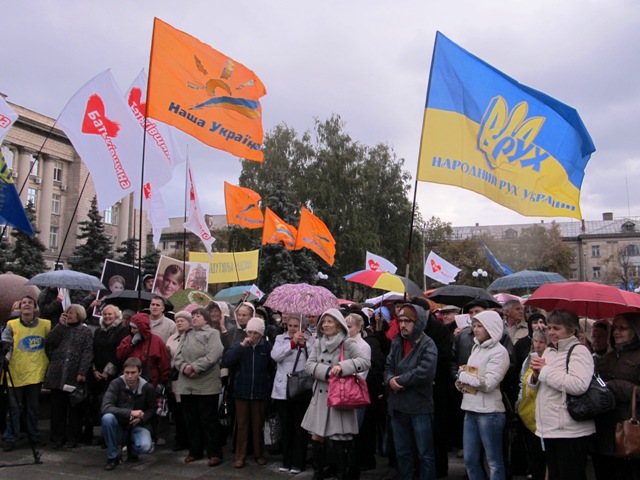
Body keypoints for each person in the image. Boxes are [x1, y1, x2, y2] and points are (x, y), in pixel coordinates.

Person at [301, 308, 371, 480]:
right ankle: (319, 473)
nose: (325, 324)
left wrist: (343, 367)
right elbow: (309, 365)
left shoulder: (347, 343)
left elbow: (364, 361)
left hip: (340, 398)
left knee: (341, 438)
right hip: (320, 397)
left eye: (330, 321)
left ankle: (344, 474)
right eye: (324, 321)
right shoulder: (318, 342)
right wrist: (327, 371)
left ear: (339, 325)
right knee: (317, 436)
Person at [528, 309, 595, 480]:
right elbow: (541, 385)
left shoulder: (579, 351)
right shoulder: (550, 351)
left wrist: (545, 371)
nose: (551, 333)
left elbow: (578, 385)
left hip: (570, 430)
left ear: (571, 330)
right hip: (550, 427)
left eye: (556, 328)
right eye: (549, 328)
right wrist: (535, 376)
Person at [384, 303, 438, 480]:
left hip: (419, 406)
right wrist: (389, 379)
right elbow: (388, 366)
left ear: (418, 322)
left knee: (425, 454)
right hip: (398, 406)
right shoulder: (397, 342)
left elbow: (425, 372)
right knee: (402, 452)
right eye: (401, 320)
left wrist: (399, 380)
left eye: (408, 321)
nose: (403, 325)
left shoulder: (428, 344)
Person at [456, 310, 510, 480]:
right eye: (474, 325)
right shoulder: (475, 348)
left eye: (480, 326)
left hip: (490, 413)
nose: (476, 329)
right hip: (470, 409)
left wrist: (462, 376)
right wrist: (461, 384)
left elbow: (488, 383)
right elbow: (474, 378)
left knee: (493, 461)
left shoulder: (500, 352)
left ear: (491, 328)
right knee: (470, 460)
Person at [173, 307, 224, 467]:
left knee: (208, 420)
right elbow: (177, 355)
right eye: (193, 316)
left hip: (206, 384)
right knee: (191, 419)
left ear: (206, 319)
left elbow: (215, 353)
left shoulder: (212, 333)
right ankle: (194, 451)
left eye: (198, 316)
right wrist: (184, 367)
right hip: (187, 384)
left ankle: (214, 453)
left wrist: (196, 367)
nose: (194, 318)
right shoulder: (186, 334)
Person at [592, 312, 640, 480]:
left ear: (635, 330)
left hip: (630, 427)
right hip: (604, 429)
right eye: (615, 328)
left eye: (623, 328)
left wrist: (622, 388)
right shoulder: (607, 358)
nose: (617, 332)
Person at [1, 295, 51, 451]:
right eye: (24, 303)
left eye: (30, 303)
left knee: (33, 408)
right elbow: (6, 344)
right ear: (20, 307)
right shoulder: (12, 325)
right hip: (15, 373)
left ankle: (33, 435)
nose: (27, 305)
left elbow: (52, 341)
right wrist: (5, 358)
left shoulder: (45, 325)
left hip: (35, 373)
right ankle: (11, 437)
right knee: (14, 408)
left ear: (35, 307)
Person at [223, 317, 273, 468]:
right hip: (242, 391)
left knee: (258, 425)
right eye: (249, 332)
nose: (252, 336)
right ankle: (240, 455)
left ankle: (259, 454)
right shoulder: (241, 345)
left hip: (259, 391)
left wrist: (267, 385)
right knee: (242, 425)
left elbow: (271, 367)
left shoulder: (266, 347)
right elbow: (227, 360)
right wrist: (240, 347)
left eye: (255, 333)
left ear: (261, 334)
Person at [43, 304, 94, 448]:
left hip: (74, 374)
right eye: (67, 313)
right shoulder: (61, 328)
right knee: (57, 409)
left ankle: (73, 438)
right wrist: (60, 325)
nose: (69, 315)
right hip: (57, 374)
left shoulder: (85, 331)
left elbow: (87, 352)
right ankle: (57, 438)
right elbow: (50, 341)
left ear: (79, 315)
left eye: (72, 313)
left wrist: (82, 371)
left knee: (74, 410)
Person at [271, 313, 315, 474]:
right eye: (290, 326)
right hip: (283, 389)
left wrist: (303, 345)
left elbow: (312, 361)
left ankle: (298, 461)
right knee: (286, 427)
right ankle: (286, 460)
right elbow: (275, 356)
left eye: (296, 326)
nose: (292, 329)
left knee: (299, 427)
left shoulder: (310, 340)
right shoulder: (280, 339)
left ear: (302, 327)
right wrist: (292, 343)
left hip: (300, 388)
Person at [101, 357, 156, 471]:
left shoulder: (147, 387)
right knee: (107, 418)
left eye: (133, 373)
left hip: (138, 425)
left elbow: (152, 409)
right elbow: (106, 407)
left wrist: (141, 419)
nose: (129, 376)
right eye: (127, 373)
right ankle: (113, 456)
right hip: (120, 423)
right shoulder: (116, 384)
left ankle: (132, 450)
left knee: (145, 446)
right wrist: (130, 412)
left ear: (139, 372)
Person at [86, 304, 129, 443]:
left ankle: (107, 437)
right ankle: (90, 433)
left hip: (112, 375)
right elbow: (92, 350)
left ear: (117, 316)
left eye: (110, 314)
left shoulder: (122, 331)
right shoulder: (98, 331)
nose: (107, 317)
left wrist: (107, 372)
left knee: (108, 404)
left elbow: (119, 354)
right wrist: (94, 370)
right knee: (93, 404)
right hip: (95, 373)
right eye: (105, 314)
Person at [516, 329, 548, 480]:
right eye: (535, 341)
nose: (537, 345)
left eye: (541, 342)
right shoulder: (529, 359)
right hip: (528, 413)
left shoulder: (551, 361)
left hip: (544, 416)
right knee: (534, 457)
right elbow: (522, 382)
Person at [116, 313, 170, 388]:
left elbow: (164, 364)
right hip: (129, 382)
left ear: (142, 329)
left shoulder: (156, 341)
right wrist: (130, 345)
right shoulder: (128, 340)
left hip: (150, 384)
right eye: (131, 328)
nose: (132, 331)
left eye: (135, 328)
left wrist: (162, 382)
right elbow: (120, 355)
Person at [165, 310, 191, 452]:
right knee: (178, 412)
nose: (179, 322)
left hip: (190, 378)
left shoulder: (193, 337)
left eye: (183, 320)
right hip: (175, 378)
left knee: (189, 411)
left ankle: (190, 439)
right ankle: (180, 440)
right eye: (178, 320)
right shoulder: (172, 339)